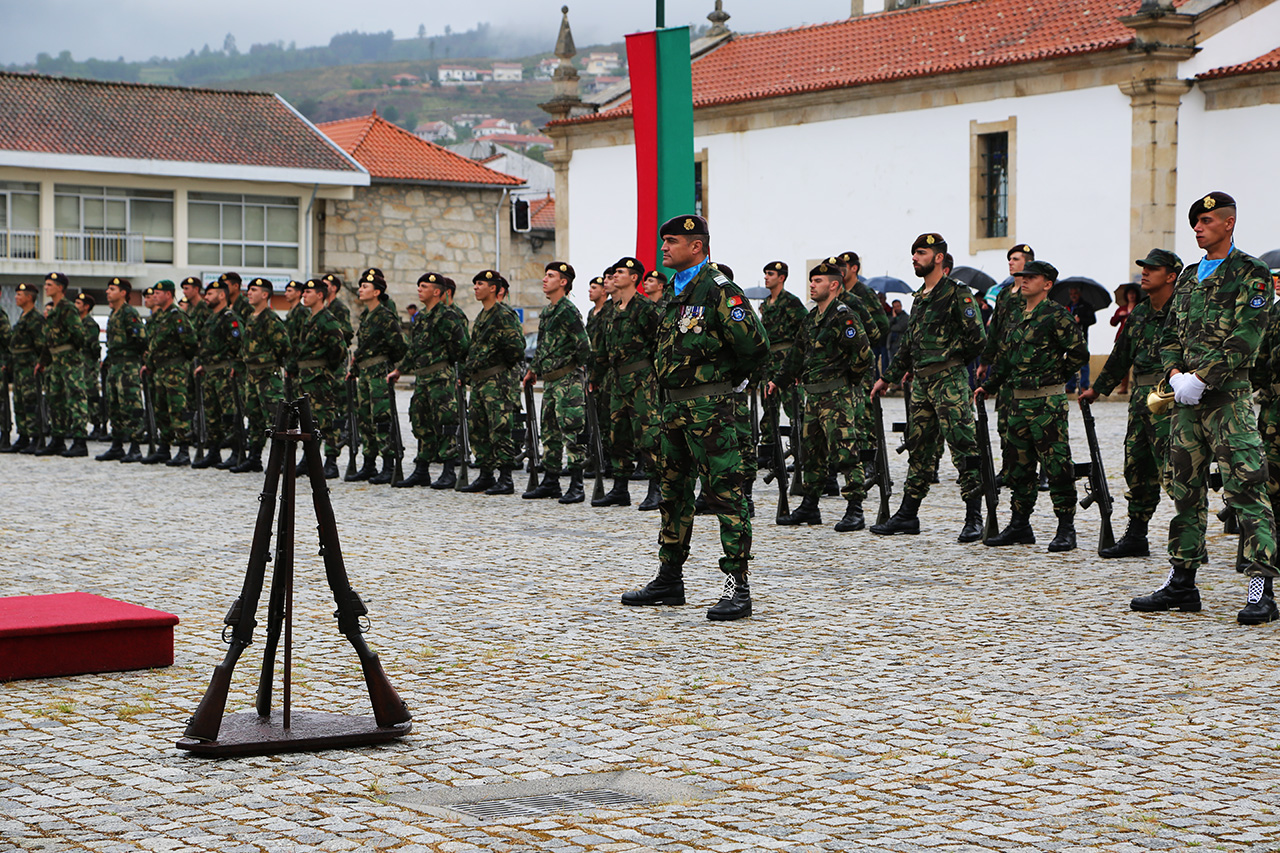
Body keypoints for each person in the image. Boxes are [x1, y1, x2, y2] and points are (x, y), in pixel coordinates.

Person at [1135, 191, 1278, 624]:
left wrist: (1202, 378)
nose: (1198, 226)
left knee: (1247, 490)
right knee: (1184, 491)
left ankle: (1261, 588)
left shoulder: (1250, 273)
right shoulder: (1191, 277)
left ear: (1229, 223)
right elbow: (1170, 336)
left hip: (1226, 402)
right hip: (1186, 405)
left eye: (1207, 220)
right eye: (1195, 220)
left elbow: (1248, 336)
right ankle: (1183, 581)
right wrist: (1176, 374)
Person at [621, 214, 768, 622]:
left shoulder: (720, 291)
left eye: (671, 241)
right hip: (673, 408)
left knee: (726, 494)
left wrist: (726, 384)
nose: (664, 248)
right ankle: (670, 579)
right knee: (673, 492)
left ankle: (737, 586)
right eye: (663, 241)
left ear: (697, 246)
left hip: (713, 411)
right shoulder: (673, 292)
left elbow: (755, 348)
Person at [871, 233, 987, 541]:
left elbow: (978, 338)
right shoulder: (920, 297)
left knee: (963, 447)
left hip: (948, 381)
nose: (914, 258)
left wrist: (948, 356)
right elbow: (908, 343)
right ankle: (908, 515)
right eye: (913, 253)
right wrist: (889, 376)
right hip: (921, 383)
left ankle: (974, 516)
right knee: (919, 447)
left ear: (938, 258)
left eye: (921, 253)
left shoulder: (957, 293)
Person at [973, 260, 1087, 551]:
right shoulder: (1014, 316)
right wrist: (990, 384)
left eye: (1031, 277)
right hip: (1017, 401)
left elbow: (1078, 353)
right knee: (1018, 467)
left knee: (1057, 464)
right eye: (1022, 277)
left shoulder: (1056, 315)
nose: (1024, 281)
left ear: (1047, 284)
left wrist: (1054, 377)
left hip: (1046, 402)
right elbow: (1007, 359)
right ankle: (1020, 524)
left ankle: (1066, 528)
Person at [1079, 249, 1180, 558]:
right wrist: (1098, 389)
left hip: (1174, 401)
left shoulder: (1184, 310)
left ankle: (1190, 536)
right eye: (1143, 268)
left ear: (1171, 275)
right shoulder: (1140, 312)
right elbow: (1121, 355)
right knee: (1137, 468)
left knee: (1177, 472)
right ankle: (1137, 533)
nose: (1144, 273)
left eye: (1152, 268)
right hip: (1140, 402)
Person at [768, 260, 871, 530]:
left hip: (836, 395)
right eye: (811, 281)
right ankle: (810, 506)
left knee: (845, 451)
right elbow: (796, 356)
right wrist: (778, 381)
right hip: (812, 396)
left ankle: (855, 508)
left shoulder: (843, 316)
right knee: (811, 453)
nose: (812, 285)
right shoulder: (812, 318)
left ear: (834, 285)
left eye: (818, 281)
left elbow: (862, 355)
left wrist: (848, 381)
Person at [593, 256, 661, 509]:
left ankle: (657, 488)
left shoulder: (646, 308)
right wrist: (595, 378)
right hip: (617, 380)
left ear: (634, 277)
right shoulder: (610, 310)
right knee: (617, 434)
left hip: (642, 380)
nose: (615, 275)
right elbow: (601, 348)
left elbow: (659, 345)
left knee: (649, 434)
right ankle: (620, 488)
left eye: (621, 272)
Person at [392, 273, 470, 488]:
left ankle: (448, 470)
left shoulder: (447, 316)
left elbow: (462, 346)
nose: (419, 289)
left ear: (437, 292)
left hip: (441, 378)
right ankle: (422, 469)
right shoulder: (422, 317)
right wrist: (400, 370)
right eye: (419, 286)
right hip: (423, 378)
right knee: (421, 421)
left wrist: (454, 370)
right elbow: (415, 348)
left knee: (445, 422)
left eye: (424, 286)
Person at [524, 262, 590, 502]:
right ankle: (551, 481)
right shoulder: (549, 311)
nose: (544, 279)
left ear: (563, 282)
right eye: (545, 275)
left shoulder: (568, 311)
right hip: (551, 382)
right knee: (550, 432)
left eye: (550, 276)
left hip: (567, 380)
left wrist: (575, 371)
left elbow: (584, 346)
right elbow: (542, 346)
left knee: (572, 432)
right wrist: (533, 370)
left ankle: (577, 485)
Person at [459, 270, 525, 495]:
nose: (476, 287)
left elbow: (516, 347)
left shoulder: (503, 314)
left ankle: (506, 477)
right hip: (479, 381)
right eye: (475, 283)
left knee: (500, 427)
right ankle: (486, 473)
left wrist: (500, 369)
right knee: (478, 427)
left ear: (494, 289)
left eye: (481, 284)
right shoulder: (482, 316)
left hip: (496, 380)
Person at [345, 269, 407, 484]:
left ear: (377, 292)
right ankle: (369, 463)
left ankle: (388, 464)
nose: (361, 290)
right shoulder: (367, 316)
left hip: (379, 373)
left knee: (382, 419)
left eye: (365, 287)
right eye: (360, 286)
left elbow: (399, 345)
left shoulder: (385, 316)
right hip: (365, 374)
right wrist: (354, 371)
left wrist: (393, 366)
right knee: (365, 419)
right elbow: (363, 348)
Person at [293, 279, 349, 479]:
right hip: (306, 378)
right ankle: (309, 459)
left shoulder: (328, 319)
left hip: (320, 378)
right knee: (309, 421)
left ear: (320, 295)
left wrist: (327, 368)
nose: (304, 295)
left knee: (326, 419)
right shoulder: (309, 319)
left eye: (308, 292)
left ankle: (331, 461)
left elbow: (339, 349)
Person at [140, 280, 198, 465]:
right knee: (161, 410)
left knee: (178, 410)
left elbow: (190, 343)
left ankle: (183, 449)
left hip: (175, 370)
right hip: (159, 370)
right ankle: (164, 447)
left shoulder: (177, 316)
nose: (155, 295)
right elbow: (153, 345)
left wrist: (180, 362)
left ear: (168, 294)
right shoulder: (159, 317)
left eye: (158, 293)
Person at [757, 261, 807, 469]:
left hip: (786, 360)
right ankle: (768, 451)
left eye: (771, 274)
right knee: (768, 407)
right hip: (769, 362)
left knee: (794, 407)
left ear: (782, 277)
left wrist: (799, 363)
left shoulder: (791, 302)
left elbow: (805, 329)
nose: (766, 277)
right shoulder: (766, 303)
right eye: (766, 273)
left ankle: (801, 451)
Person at [35, 272, 90, 457]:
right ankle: (58, 440)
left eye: (50, 284)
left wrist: (71, 352)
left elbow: (79, 335)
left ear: (60, 288)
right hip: (55, 360)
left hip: (68, 360)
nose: (46, 287)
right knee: (55, 399)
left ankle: (80, 441)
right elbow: (48, 340)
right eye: (46, 284)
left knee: (75, 397)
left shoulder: (68, 308)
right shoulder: (54, 310)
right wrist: (42, 362)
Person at [191, 278, 242, 471]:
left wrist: (234, 366)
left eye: (210, 294)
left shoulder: (230, 318)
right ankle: (214, 452)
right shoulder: (211, 318)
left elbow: (238, 345)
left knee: (230, 413)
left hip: (224, 372)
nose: (206, 297)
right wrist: (204, 364)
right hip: (211, 372)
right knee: (212, 415)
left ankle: (237, 451)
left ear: (222, 295)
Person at [95, 278, 147, 463]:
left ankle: (135, 446)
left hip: (128, 366)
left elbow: (140, 339)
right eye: (108, 289)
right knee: (114, 405)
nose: (108, 292)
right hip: (115, 366)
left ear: (123, 292)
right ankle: (117, 445)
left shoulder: (128, 312)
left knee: (131, 405)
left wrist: (133, 358)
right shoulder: (113, 314)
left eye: (112, 289)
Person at [3, 283, 45, 455]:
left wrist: (39, 363)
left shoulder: (36, 318)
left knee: (31, 402)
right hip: (19, 366)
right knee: (19, 402)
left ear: (29, 297)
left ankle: (36, 436)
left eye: (19, 294)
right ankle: (23, 435)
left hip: (29, 366)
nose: (16, 297)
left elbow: (41, 344)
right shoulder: (23, 317)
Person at [75, 291, 106, 441]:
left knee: (91, 394)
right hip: (78, 362)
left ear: (86, 307)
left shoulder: (90, 324)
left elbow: (93, 346)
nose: (75, 306)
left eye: (78, 304)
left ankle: (97, 424)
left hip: (88, 363)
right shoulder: (76, 322)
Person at [1109, 283, 1141, 393]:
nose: (1131, 296)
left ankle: (1136, 384)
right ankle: (1124, 386)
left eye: (1133, 293)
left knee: (1137, 362)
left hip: (1136, 338)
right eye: (1129, 293)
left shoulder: (1139, 307)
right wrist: (1119, 316)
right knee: (1123, 363)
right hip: (1122, 338)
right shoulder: (1122, 308)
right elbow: (1113, 322)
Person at [1064, 286, 1096, 393]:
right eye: (1071, 293)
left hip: (1082, 337)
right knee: (1071, 360)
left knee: (1083, 362)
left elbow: (1092, 319)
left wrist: (1080, 320)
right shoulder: (1067, 306)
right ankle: (1071, 385)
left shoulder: (1086, 306)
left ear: (1079, 294)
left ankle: (1084, 385)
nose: (1073, 296)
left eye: (1075, 293)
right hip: (1070, 338)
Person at [887, 300, 910, 369]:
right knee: (891, 364)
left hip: (900, 343)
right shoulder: (891, 317)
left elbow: (900, 327)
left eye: (898, 306)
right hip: (891, 344)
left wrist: (892, 327)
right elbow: (887, 326)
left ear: (901, 306)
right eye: (895, 307)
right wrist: (893, 318)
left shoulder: (906, 317)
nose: (897, 308)